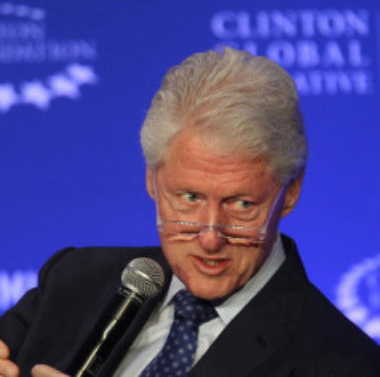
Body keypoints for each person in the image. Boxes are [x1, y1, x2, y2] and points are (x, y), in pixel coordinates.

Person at [0, 47, 379, 377]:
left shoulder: (343, 362)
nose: (211, 236)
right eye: (189, 197)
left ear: (291, 192)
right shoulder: (73, 280)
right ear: (152, 180)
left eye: (242, 204)